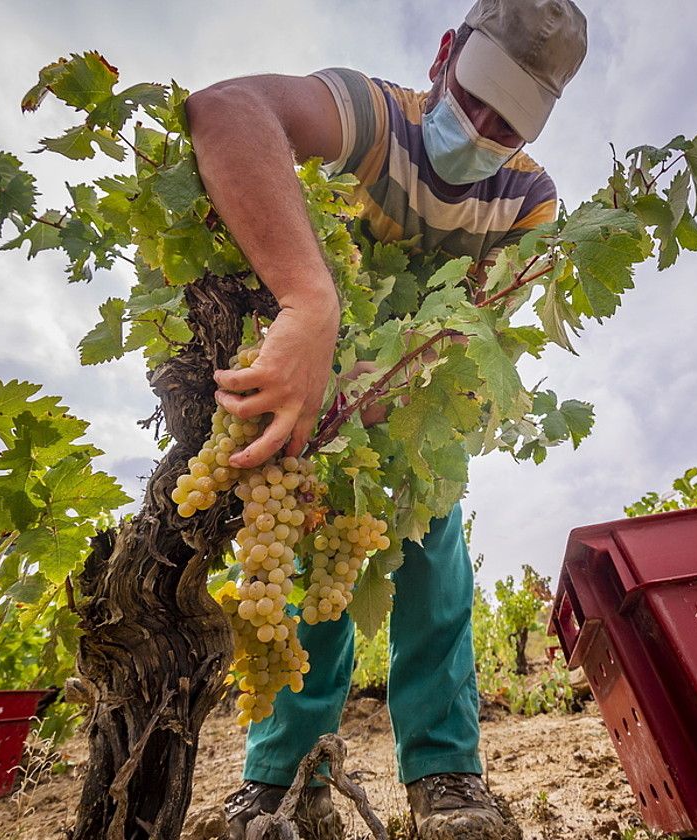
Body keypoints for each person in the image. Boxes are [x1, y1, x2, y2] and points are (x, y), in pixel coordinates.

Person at [183, 0, 587, 836]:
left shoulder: (529, 198)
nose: (480, 129)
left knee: (434, 560)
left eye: (508, 122)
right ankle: (285, 778)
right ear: (445, 52)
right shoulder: (374, 117)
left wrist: (383, 400)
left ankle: (447, 777)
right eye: (473, 97)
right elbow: (228, 110)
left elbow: (477, 331)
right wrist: (306, 298)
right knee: (306, 575)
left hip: (410, 407)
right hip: (303, 379)